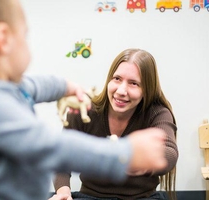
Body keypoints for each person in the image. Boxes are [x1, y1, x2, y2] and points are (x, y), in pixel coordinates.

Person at [0, 1, 168, 200]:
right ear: (3, 39)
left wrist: (66, 87)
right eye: (24, 35)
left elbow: (36, 86)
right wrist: (122, 154)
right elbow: (50, 147)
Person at [53, 49, 179, 200]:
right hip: (90, 197)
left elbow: (170, 153)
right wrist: (63, 193)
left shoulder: (157, 113)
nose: (121, 90)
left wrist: (140, 159)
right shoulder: (84, 110)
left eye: (134, 83)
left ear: (147, 89)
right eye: (117, 79)